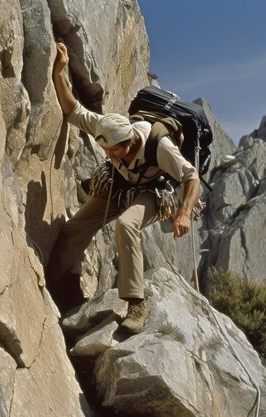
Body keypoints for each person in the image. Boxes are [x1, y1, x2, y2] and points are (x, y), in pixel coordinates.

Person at [47, 42, 200, 333]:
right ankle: (61, 280)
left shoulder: (160, 146)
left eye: (113, 151)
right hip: (119, 184)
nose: (108, 154)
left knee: (127, 225)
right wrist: (59, 72)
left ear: (128, 142)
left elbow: (191, 178)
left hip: (152, 192)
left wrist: (184, 213)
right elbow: (73, 111)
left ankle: (136, 304)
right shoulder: (109, 127)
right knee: (74, 228)